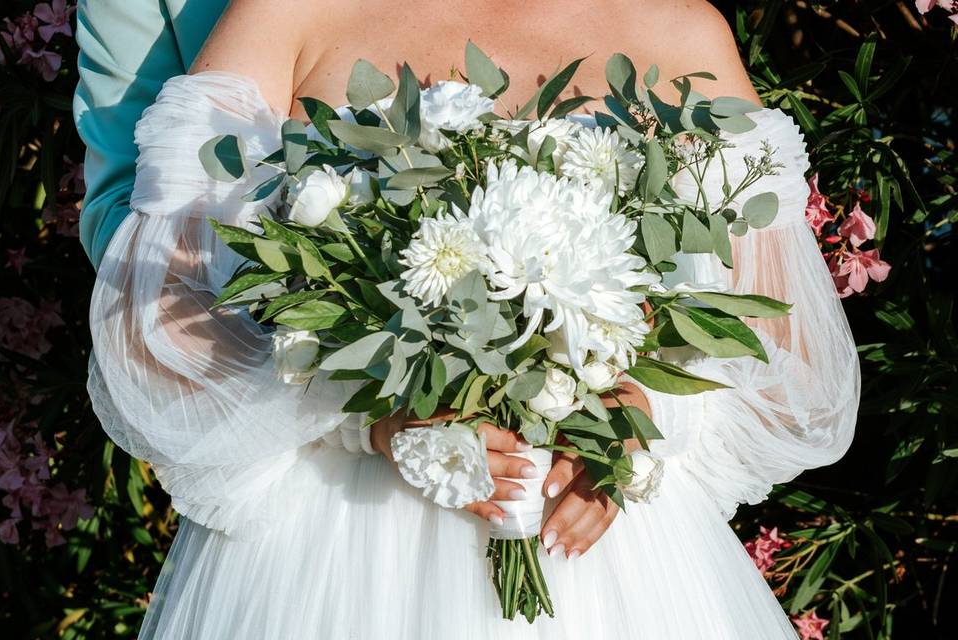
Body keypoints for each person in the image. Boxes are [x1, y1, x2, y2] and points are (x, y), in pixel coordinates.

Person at [75, 1, 861, 638]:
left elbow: (788, 364)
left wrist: (648, 418)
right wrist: (366, 417)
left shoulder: (680, 32)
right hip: (340, 558)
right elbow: (155, 322)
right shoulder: (285, 15)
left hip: (612, 565)